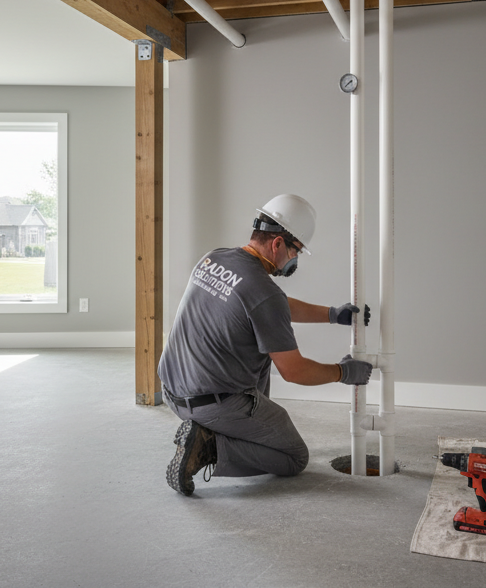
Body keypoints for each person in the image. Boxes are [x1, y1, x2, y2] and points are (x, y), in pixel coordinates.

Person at [159, 194, 375, 495]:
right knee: (294, 457)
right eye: (295, 251)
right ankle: (210, 447)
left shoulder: (215, 257)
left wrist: (332, 315)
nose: (294, 260)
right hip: (215, 404)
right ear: (277, 244)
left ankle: (210, 432)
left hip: (172, 390)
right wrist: (343, 373)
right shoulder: (264, 292)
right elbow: (294, 370)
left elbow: (269, 306)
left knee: (254, 345)